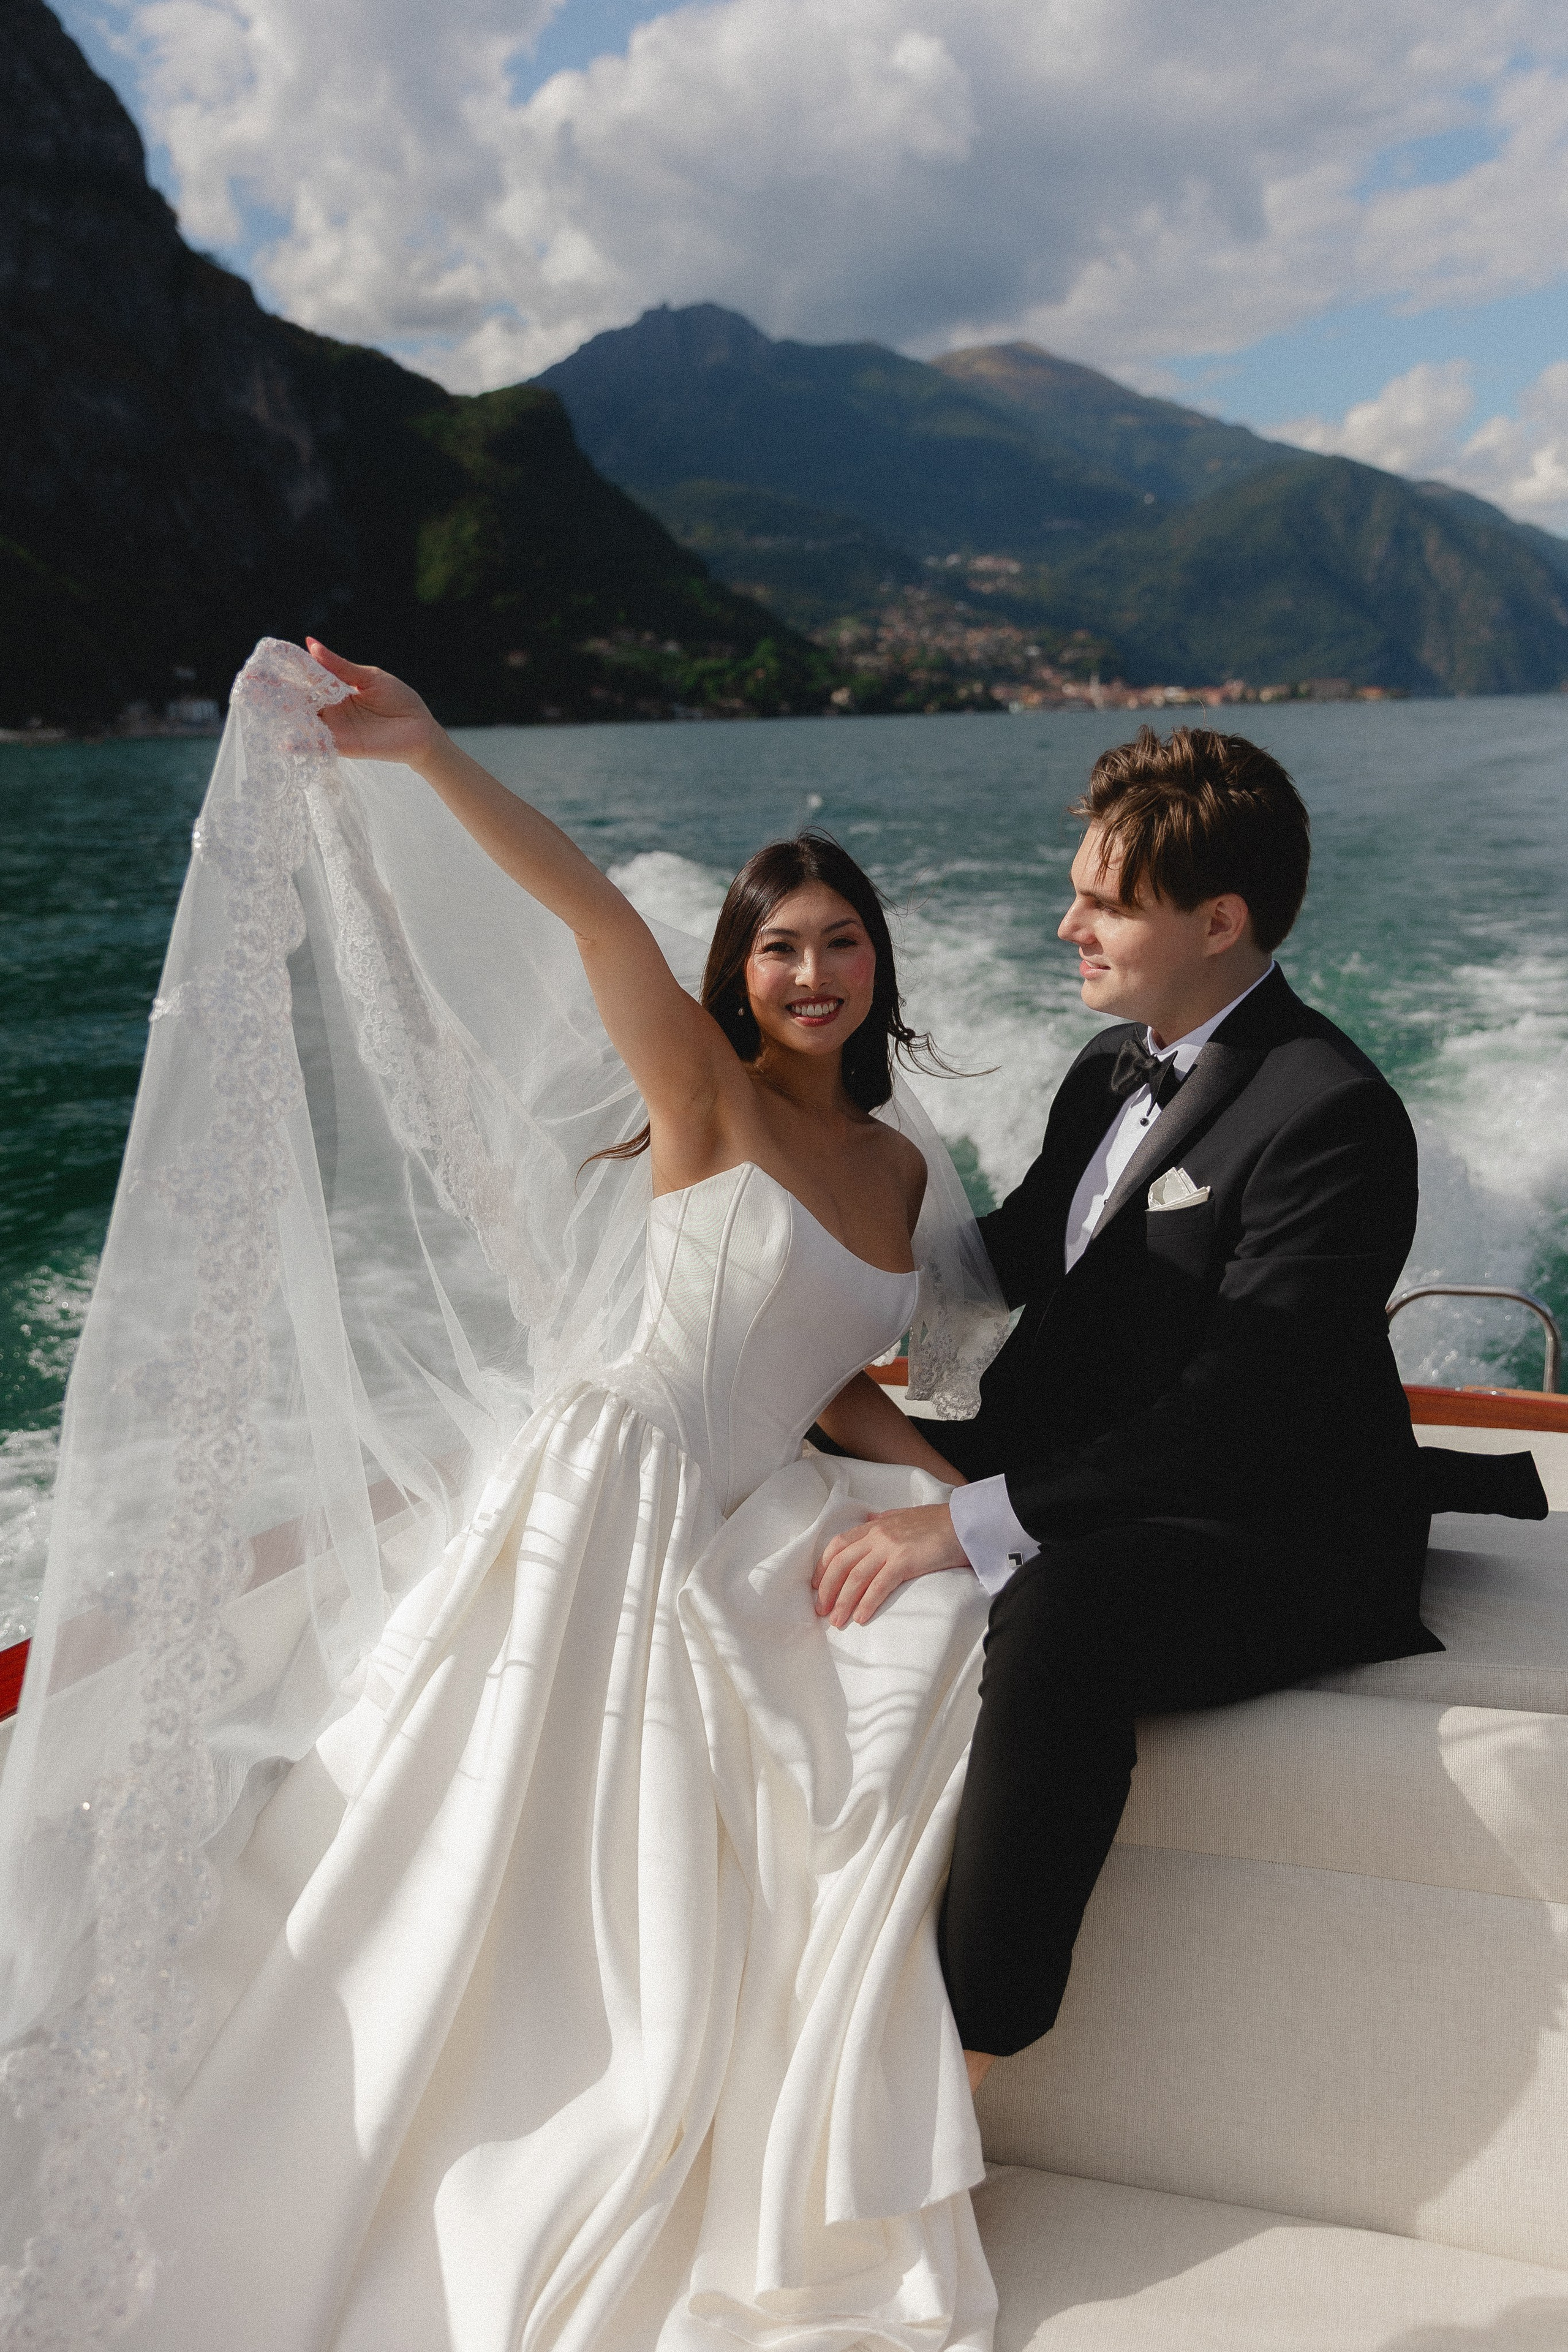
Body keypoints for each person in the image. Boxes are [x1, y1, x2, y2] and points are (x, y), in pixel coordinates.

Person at [0, 638, 1007, 2351]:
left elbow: (831, 1355)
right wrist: (428, 748)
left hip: (742, 1501)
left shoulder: (903, 1170)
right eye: (782, 946)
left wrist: (961, 1482)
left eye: (841, 943)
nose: (814, 971)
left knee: (934, 1644)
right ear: (743, 973)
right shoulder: (706, 1096)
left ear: (878, 963)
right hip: (613, 1483)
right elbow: (595, 924)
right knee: (481, 1867)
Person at [812, 725, 1450, 2085]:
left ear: (1217, 921)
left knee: (1062, 1610)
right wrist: (811, 1282)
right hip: (1109, 1446)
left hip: (1275, 1524)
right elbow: (1016, 1258)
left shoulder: (1331, 1113)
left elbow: (1240, 1413)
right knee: (791, 1438)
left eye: (1103, 903)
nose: (1065, 928)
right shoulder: (1108, 1069)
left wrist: (967, 1520)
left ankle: (967, 2053)